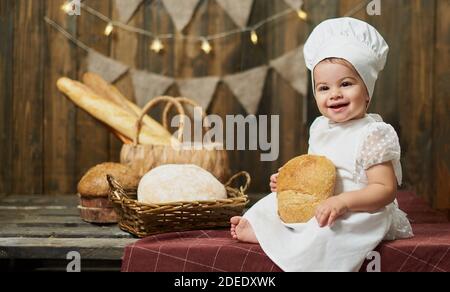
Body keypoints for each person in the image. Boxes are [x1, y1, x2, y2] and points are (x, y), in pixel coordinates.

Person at [230, 17, 413, 272]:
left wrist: (344, 202)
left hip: (359, 210)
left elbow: (384, 190)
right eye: (324, 88)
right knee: (271, 203)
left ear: (368, 90)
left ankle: (289, 245)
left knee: (327, 233)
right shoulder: (319, 128)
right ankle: (262, 230)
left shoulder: (373, 133)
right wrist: (288, 181)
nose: (334, 94)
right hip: (320, 204)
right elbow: (314, 171)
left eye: (346, 84)